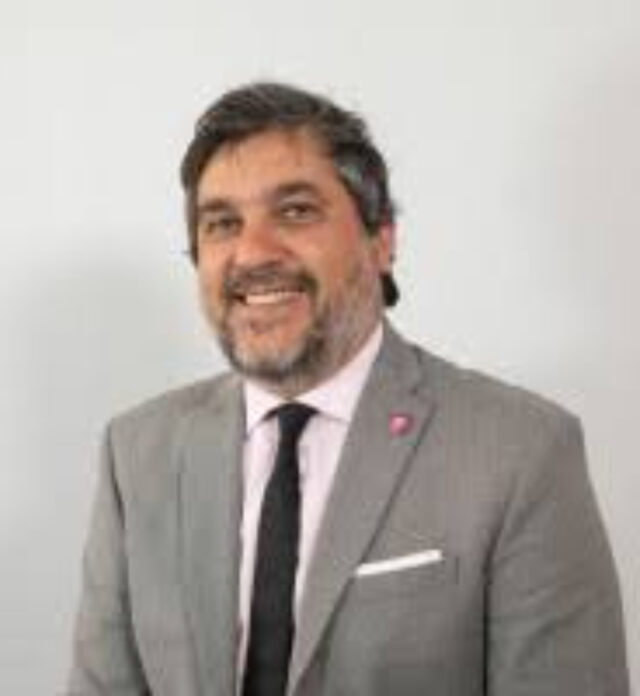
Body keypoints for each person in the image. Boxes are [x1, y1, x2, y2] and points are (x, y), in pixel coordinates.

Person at [66, 82, 629, 696]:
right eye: (222, 223)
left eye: (295, 211)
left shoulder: (520, 452)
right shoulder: (137, 454)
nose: (252, 253)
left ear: (381, 240)